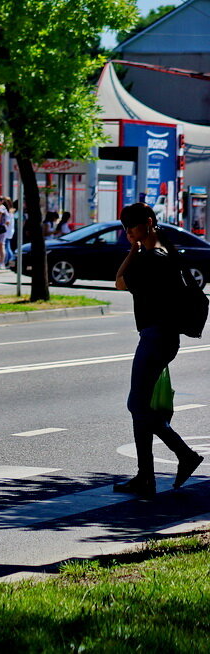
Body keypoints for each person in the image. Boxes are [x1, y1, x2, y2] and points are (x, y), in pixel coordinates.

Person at [113, 203, 203, 497]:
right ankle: (146, 476)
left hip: (155, 338)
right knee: (141, 408)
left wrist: (132, 251)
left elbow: (119, 282)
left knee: (136, 406)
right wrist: (137, 245)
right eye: (125, 229)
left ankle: (184, 455)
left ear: (148, 223)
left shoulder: (151, 258)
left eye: (133, 227)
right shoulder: (167, 249)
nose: (129, 233)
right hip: (163, 337)